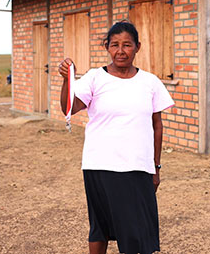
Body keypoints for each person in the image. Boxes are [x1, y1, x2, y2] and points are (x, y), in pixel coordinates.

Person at [59, 21, 174, 254]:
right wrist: (66, 81)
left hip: (137, 166)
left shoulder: (150, 82)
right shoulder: (94, 78)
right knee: (100, 226)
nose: (120, 51)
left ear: (137, 47)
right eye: (114, 45)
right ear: (106, 47)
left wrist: (156, 167)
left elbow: (157, 126)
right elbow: (69, 108)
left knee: (137, 230)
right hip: (100, 164)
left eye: (127, 45)